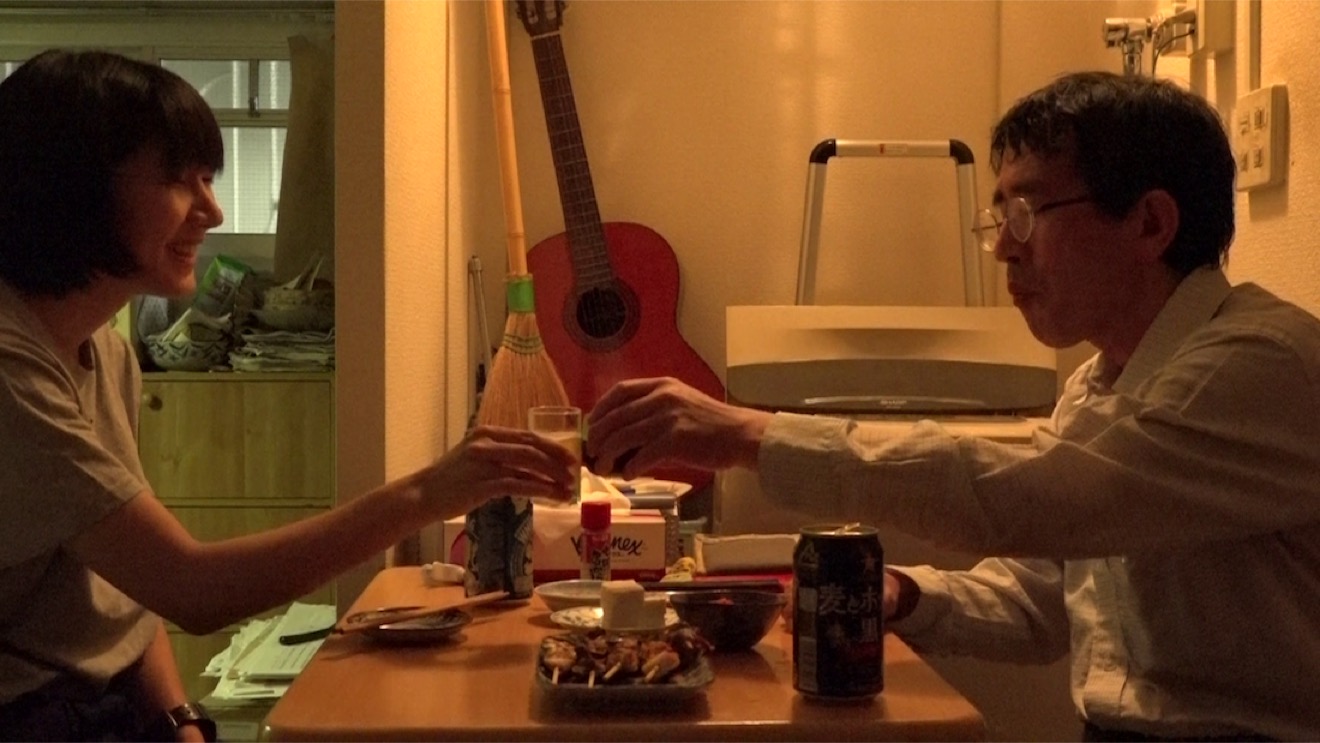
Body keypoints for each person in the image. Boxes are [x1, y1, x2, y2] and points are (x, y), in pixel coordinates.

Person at [587, 71, 1320, 742]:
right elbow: (1044, 595)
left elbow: (1042, 501)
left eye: (1028, 211)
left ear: (1151, 223)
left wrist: (752, 433)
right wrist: (905, 593)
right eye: (998, 217)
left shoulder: (1263, 366)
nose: (1003, 248)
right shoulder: (1099, 384)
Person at [0, 50, 576, 742]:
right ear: (76, 184)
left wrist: (183, 721)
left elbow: (130, 590)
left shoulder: (105, 347)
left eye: (209, 180)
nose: (211, 209)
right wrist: (426, 492)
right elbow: (189, 587)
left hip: (117, 707)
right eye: (180, 181)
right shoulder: (12, 369)